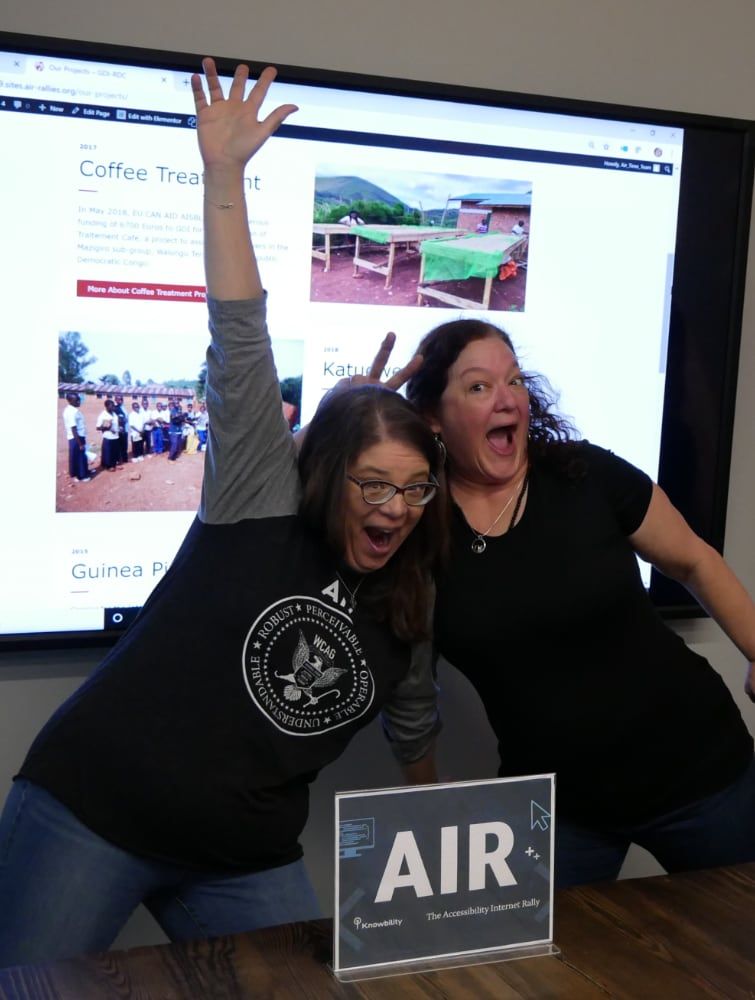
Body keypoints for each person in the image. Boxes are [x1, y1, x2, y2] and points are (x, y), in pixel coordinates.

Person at [0, 59, 443, 967]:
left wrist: (434, 830)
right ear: (327, 475)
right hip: (95, 810)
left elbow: (412, 722)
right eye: (371, 485)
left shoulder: (410, 600)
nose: (393, 509)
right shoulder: (261, 499)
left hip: (242, 860)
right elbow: (240, 331)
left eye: (412, 489)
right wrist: (222, 178)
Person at [405, 317, 755, 888]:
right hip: (558, 810)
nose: (506, 400)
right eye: (477, 387)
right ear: (431, 418)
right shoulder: (417, 531)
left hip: (702, 778)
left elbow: (694, 560)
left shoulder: (582, 474)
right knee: (537, 976)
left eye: (514, 381)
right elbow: (409, 687)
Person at [62, 392, 91, 482]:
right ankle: (81, 476)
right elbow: (73, 428)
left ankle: (84, 471)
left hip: (79, 436)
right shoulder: (71, 412)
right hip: (76, 438)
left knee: (81, 456)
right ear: (70, 401)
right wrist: (80, 444)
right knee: (79, 456)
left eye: (79, 399)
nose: (79, 401)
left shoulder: (73, 410)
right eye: (76, 400)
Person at [95, 398, 120, 471]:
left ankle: (114, 464)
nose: (113, 407)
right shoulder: (103, 415)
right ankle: (108, 466)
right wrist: (108, 428)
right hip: (108, 437)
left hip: (115, 435)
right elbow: (98, 427)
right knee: (108, 452)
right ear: (106, 406)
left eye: (113, 406)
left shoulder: (114, 414)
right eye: (111, 406)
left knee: (115, 451)